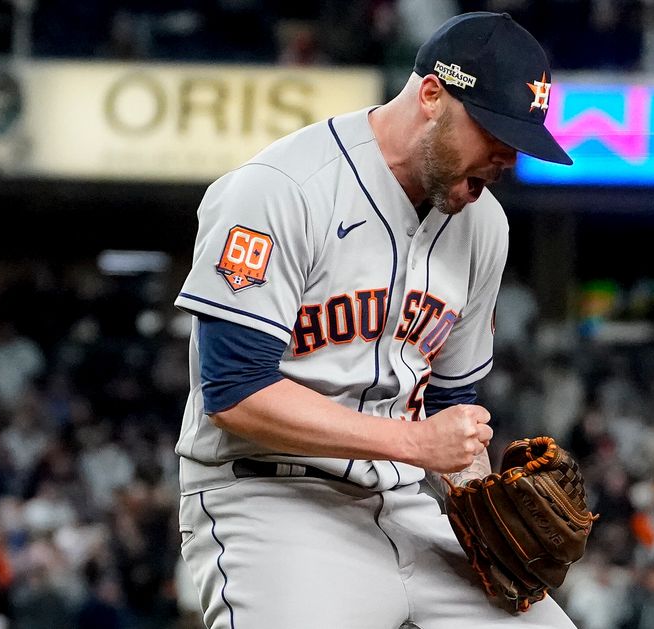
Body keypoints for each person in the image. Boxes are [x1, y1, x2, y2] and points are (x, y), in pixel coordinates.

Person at [172, 11, 576, 628]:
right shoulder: (282, 188)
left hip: (405, 505)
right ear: (432, 96)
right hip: (269, 500)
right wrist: (416, 444)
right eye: (494, 132)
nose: (506, 158)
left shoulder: (485, 225)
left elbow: (450, 398)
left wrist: (477, 505)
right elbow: (235, 392)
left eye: (518, 144)